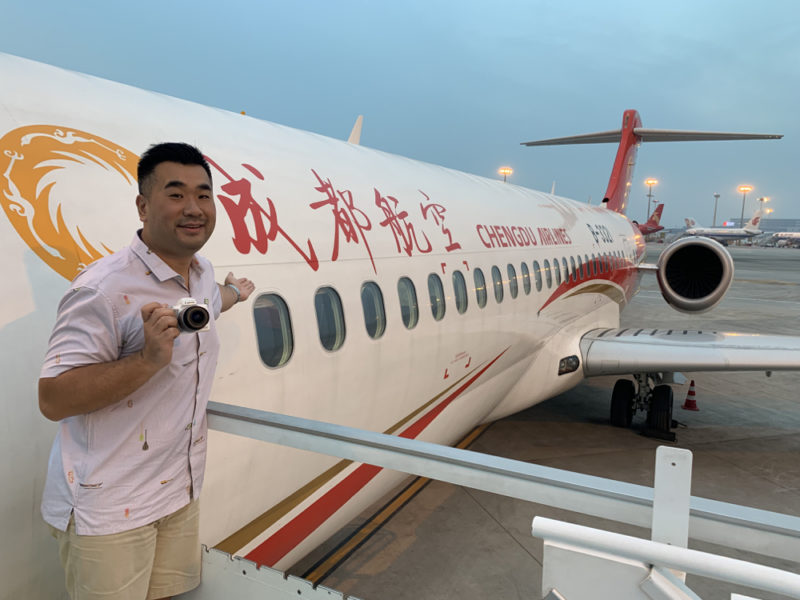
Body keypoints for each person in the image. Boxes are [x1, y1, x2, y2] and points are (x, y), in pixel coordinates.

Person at [38, 142, 255, 600]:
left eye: (203, 194)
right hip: (111, 509)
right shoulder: (102, 289)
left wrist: (235, 292)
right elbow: (53, 399)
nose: (193, 209)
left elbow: (208, 305)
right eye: (175, 195)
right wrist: (147, 361)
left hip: (178, 491)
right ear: (142, 206)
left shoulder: (200, 273)